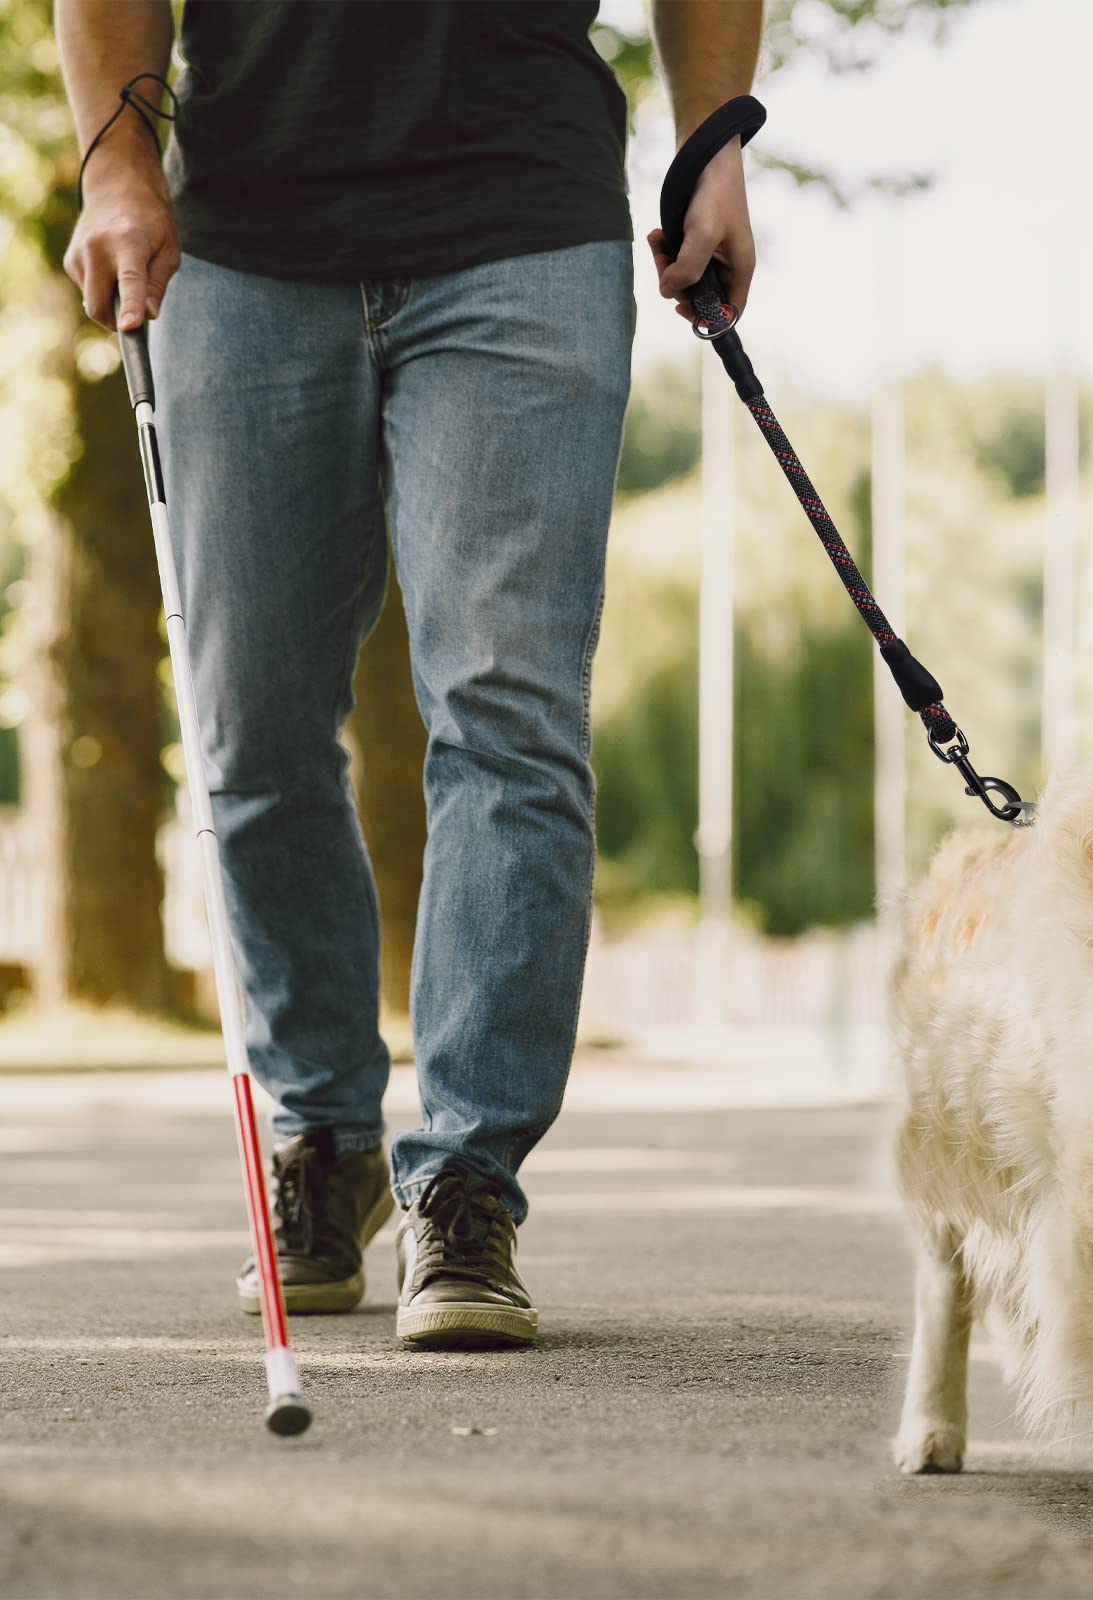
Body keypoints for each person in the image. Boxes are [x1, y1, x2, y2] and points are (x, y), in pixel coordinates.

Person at [58, 0, 761, 1349]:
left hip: (523, 223)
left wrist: (714, 140)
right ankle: (323, 1139)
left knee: (509, 706)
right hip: (246, 237)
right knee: (248, 723)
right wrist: (116, 161)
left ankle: (465, 1182)